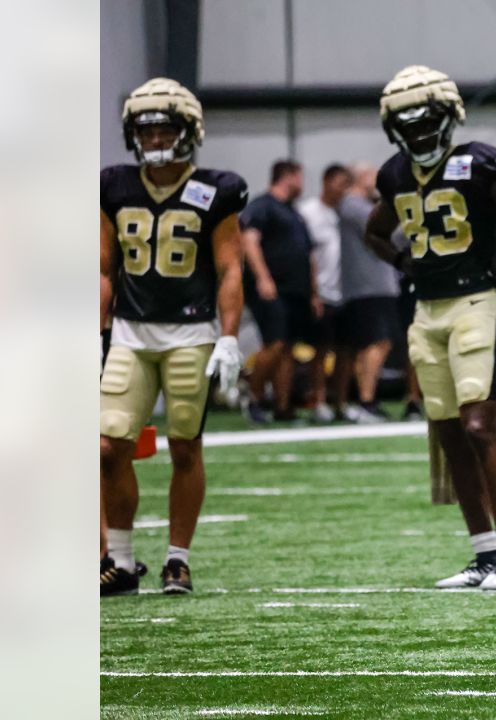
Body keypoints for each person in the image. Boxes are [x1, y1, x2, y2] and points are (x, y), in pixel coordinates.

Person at [362, 66, 496, 590]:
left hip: (477, 300)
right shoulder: (393, 175)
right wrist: (405, 264)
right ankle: (484, 553)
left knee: (479, 426)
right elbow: (374, 232)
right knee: (448, 434)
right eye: (407, 124)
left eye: (425, 121)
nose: (417, 133)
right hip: (427, 308)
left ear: (448, 117)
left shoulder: (480, 163)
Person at [100, 78, 247, 595]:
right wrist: (95, 328)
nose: (156, 136)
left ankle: (177, 559)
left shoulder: (218, 188)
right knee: (106, 446)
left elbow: (231, 268)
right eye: (147, 128)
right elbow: (102, 266)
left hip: (191, 332)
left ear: (189, 130)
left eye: (166, 126)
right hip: (130, 333)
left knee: (185, 447)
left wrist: (228, 336)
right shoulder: (114, 185)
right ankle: (117, 560)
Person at [240, 160, 320, 424]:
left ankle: (283, 407)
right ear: (288, 177)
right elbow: (249, 241)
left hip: (296, 292)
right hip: (272, 289)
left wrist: (313, 293)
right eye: (300, 177)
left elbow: (308, 255)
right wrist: (263, 278)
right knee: (274, 344)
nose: (302, 183)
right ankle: (253, 396)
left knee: (287, 348)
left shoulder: (294, 213)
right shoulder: (263, 206)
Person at [334, 162, 401, 423]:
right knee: (376, 343)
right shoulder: (353, 206)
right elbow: (394, 233)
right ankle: (366, 400)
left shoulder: (355, 206)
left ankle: (365, 400)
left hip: (373, 286)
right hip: (368, 287)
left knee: (374, 343)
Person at [297, 163, 353, 423]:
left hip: (347, 291)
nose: (344, 190)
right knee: (321, 350)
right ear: (327, 181)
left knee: (346, 349)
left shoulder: (345, 212)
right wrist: (313, 292)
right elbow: (305, 255)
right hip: (322, 292)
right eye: (341, 183)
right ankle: (319, 400)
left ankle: (341, 401)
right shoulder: (308, 212)